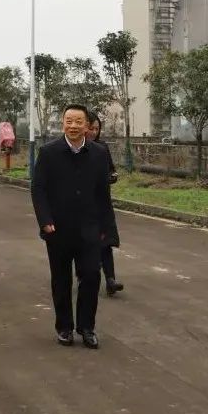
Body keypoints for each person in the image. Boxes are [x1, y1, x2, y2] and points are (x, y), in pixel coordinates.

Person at [31, 104, 117, 349]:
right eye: (69, 121)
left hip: (90, 228)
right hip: (57, 229)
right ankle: (64, 327)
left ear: (87, 126)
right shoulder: (49, 152)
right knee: (61, 279)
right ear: (63, 123)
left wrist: (107, 227)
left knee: (91, 276)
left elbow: (103, 194)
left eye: (79, 121)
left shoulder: (99, 153)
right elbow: (38, 189)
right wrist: (45, 220)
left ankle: (87, 327)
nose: (73, 126)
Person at [87, 111, 124, 295]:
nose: (94, 132)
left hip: (101, 204)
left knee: (105, 241)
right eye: (91, 128)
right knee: (86, 243)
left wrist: (111, 177)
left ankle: (110, 279)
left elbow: (111, 170)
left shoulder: (102, 148)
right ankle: (85, 277)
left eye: (97, 128)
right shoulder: (75, 150)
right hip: (83, 205)